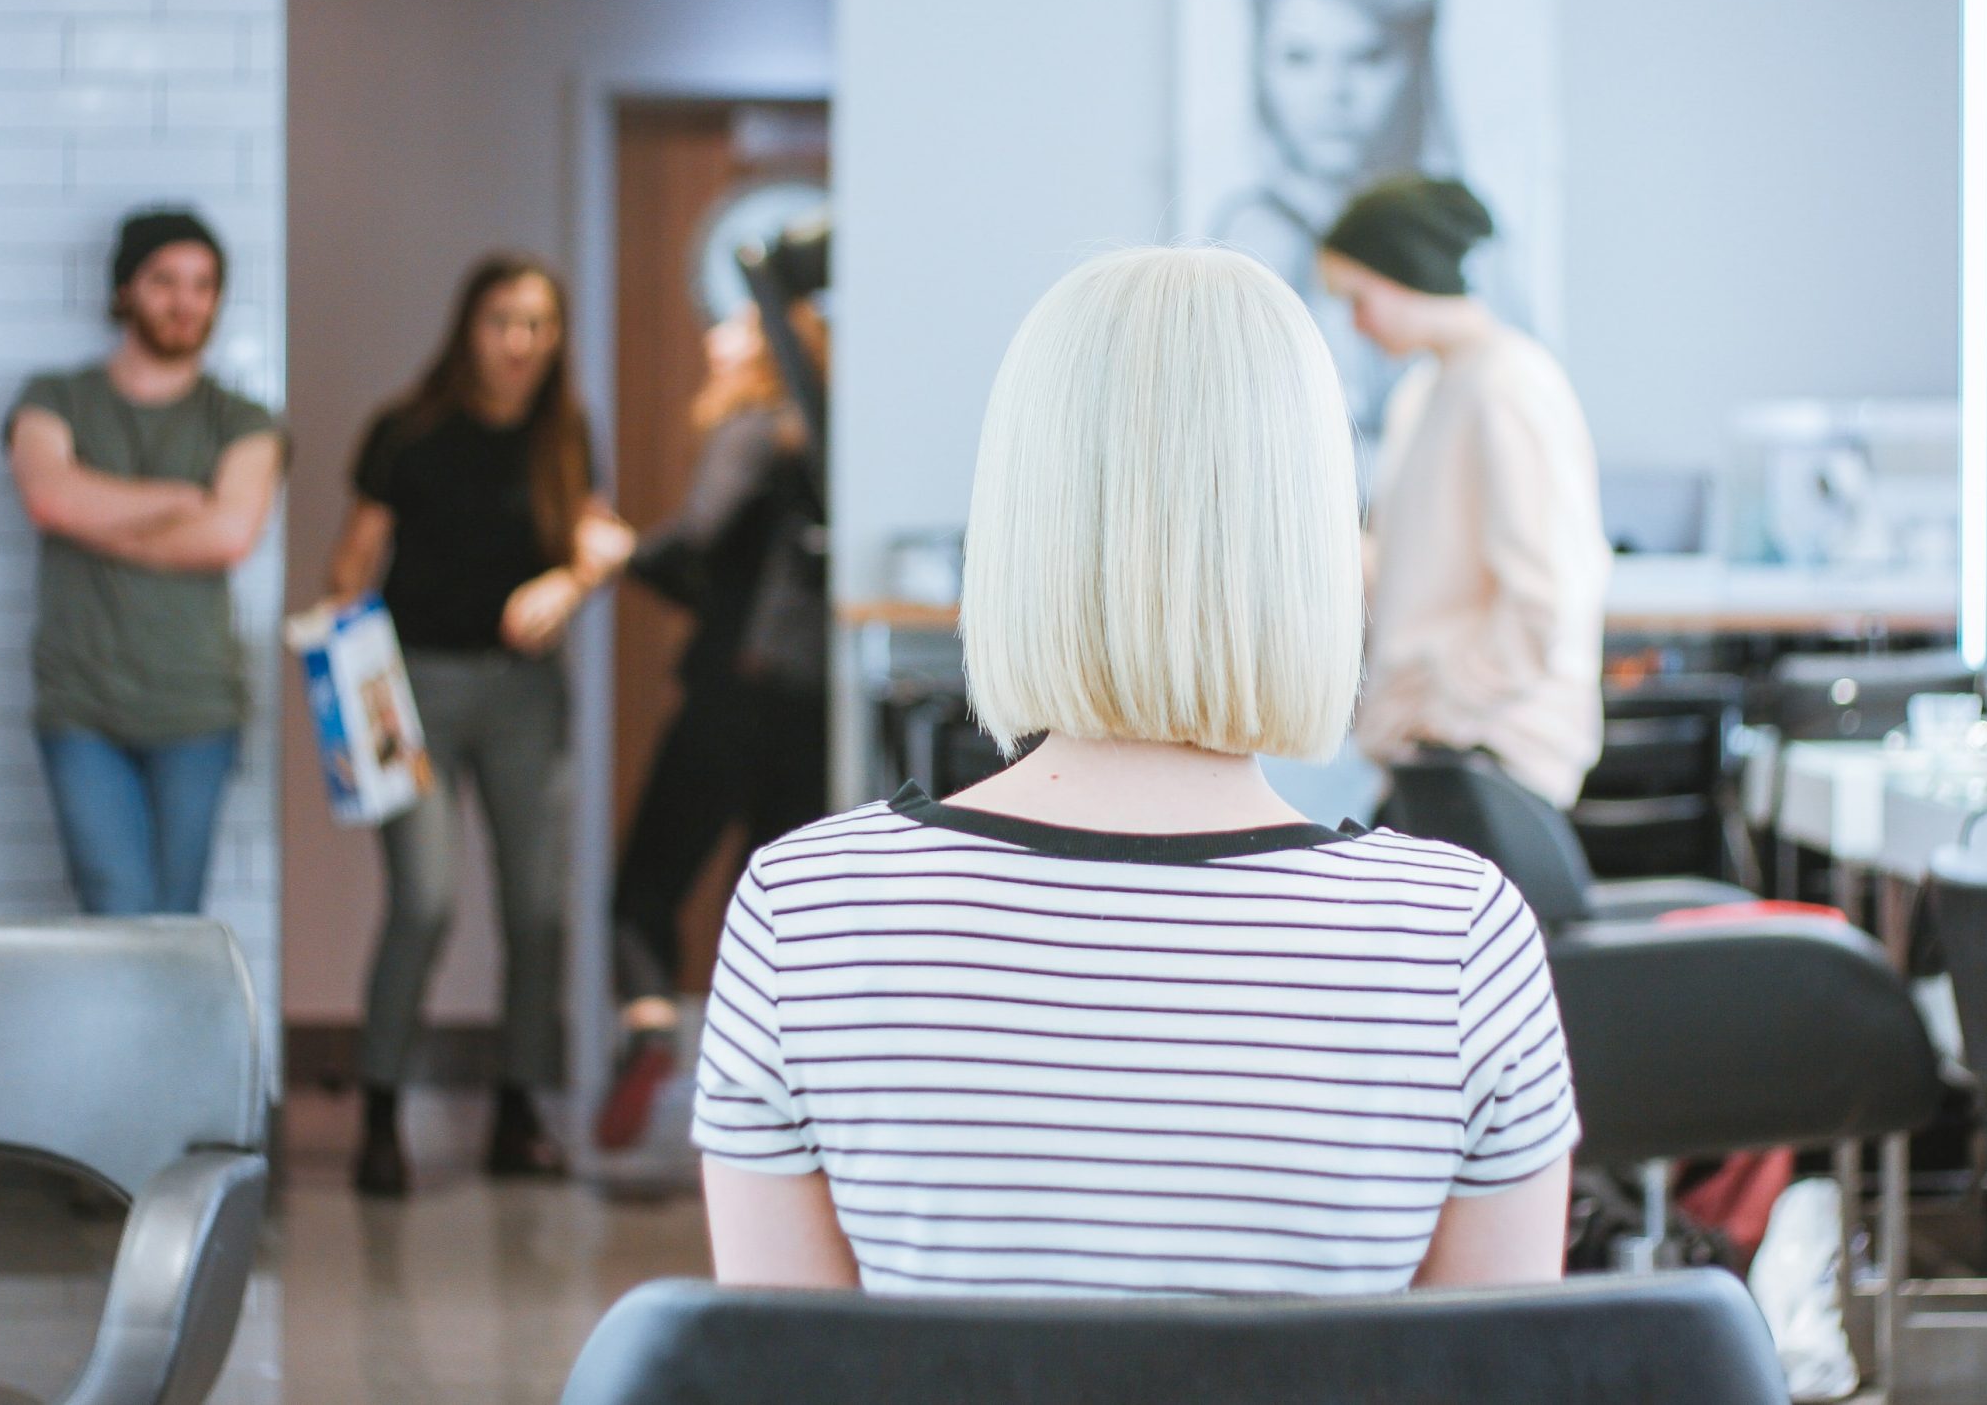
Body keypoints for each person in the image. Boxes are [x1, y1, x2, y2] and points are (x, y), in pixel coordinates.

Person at [695, 245, 1578, 1295]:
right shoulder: (1457, 939)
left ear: (1018, 522)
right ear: (1311, 542)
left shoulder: (806, 912)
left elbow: (787, 1379)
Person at [326, 255, 635, 1197]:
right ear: (469, 327)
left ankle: (519, 1112)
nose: (521, 343)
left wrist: (571, 585)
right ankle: (380, 1113)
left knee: (537, 910)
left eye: (539, 324)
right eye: (504, 320)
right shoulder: (407, 432)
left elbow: (601, 539)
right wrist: (347, 701)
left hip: (523, 694)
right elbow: (350, 570)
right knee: (424, 899)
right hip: (410, 687)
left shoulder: (566, 435)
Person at [595, 296, 829, 1151]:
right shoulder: (820, 439)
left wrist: (623, 554)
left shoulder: (753, 427)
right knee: (764, 899)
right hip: (809, 703)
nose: (714, 336)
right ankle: (766, 1092)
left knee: (643, 887)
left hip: (733, 695)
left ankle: (651, 1025)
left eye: (732, 323)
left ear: (767, 345)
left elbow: (698, 534)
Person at [6, 209, 284, 916]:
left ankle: (175, 1035)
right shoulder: (54, 398)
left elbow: (227, 535)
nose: (185, 301)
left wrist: (96, 514)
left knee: (174, 920)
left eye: (202, 284)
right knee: (115, 901)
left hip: (196, 709)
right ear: (126, 288)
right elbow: (48, 497)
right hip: (81, 706)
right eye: (165, 280)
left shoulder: (245, 419)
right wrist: (177, 499)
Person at [1319, 176, 1612, 812]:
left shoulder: (1510, 385)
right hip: (1430, 748)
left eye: (1358, 297)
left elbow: (1547, 594)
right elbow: (1421, 568)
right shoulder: (1424, 393)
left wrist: (1445, 702)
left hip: (1487, 753)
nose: (1355, 322)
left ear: (1404, 270)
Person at [1211, 0, 1454, 436]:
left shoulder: (1462, 250)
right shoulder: (1252, 244)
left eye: (1366, 57)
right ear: (1261, 67)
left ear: (1414, 67)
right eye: (1299, 58)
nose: (1332, 93)